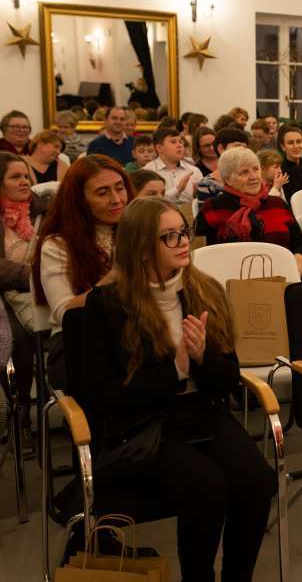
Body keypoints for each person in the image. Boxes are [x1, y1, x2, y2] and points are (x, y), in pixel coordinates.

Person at [81, 196, 276, 581]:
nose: (184, 242)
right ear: (141, 248)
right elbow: (102, 395)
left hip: (201, 410)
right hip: (142, 423)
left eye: (183, 232)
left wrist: (203, 357)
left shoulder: (205, 290)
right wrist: (176, 370)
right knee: (207, 487)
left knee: (257, 480)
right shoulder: (107, 305)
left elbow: (228, 379)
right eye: (168, 236)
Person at [32, 155, 134, 388]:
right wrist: (113, 277)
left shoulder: (135, 230)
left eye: (120, 188)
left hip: (135, 333)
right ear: (79, 200)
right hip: (78, 340)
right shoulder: (58, 244)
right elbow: (64, 312)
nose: (116, 199)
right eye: (102, 192)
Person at [195, 148, 302, 277]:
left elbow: (300, 243)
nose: (254, 177)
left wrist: (299, 259)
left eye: (256, 169)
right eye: (244, 172)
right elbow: (201, 253)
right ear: (228, 179)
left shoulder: (277, 203)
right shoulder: (212, 208)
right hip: (230, 280)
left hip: (281, 277)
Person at [0, 152, 48, 454]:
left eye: (26, 176)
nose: (24, 182)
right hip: (6, 294)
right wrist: (29, 274)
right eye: (14, 177)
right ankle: (21, 415)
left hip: (44, 289)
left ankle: (56, 408)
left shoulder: (44, 211)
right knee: (16, 338)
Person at [145, 128, 203, 204]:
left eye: (180, 142)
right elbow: (150, 203)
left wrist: (198, 195)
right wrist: (177, 189)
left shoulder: (194, 171)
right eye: (173, 142)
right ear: (159, 148)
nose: (179, 145)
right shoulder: (148, 171)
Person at [195, 128, 251, 201]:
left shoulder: (251, 178)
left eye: (245, 147)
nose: (242, 151)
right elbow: (207, 208)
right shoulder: (207, 184)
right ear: (221, 149)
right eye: (237, 146)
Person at [276, 124, 302, 199]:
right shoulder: (280, 172)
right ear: (283, 147)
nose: (296, 146)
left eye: (299, 142)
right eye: (290, 143)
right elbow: (288, 202)